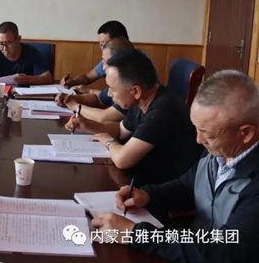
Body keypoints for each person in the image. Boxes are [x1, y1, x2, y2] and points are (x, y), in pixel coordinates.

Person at [92, 70, 259, 263]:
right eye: (196, 128)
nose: (198, 140)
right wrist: (148, 195)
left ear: (245, 133)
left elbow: (225, 251)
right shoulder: (222, 149)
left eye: (209, 134)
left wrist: (135, 234)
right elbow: (187, 186)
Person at [66, 48, 202, 185]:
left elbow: (122, 159)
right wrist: (88, 125)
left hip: (166, 188)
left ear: (136, 91)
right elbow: (120, 130)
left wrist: (108, 141)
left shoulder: (163, 110)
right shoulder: (142, 101)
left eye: (112, 89)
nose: (109, 94)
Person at [56, 37, 133, 122]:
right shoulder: (116, 82)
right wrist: (73, 98)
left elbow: (104, 117)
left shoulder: (129, 85)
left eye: (107, 62)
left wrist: (75, 106)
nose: (103, 67)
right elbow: (98, 99)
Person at [0, 21, 52, 86]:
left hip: (26, 95)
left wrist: (28, 79)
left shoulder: (30, 52)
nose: (5, 48)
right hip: (2, 94)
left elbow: (48, 78)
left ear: (18, 39)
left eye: (9, 43)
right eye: (0, 44)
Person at [60, 20, 129, 92]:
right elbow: (87, 77)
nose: (102, 48)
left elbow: (116, 96)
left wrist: (89, 91)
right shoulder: (106, 61)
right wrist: (74, 82)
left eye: (105, 44)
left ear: (120, 41)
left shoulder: (132, 64)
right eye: (101, 45)